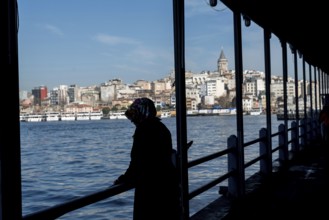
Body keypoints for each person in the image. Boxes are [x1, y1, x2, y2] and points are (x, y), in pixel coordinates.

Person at [113, 97, 180, 220]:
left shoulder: (143, 130)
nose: (132, 120)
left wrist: (124, 178)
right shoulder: (162, 128)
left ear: (142, 113)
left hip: (152, 188)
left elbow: (138, 161)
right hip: (168, 184)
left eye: (134, 115)